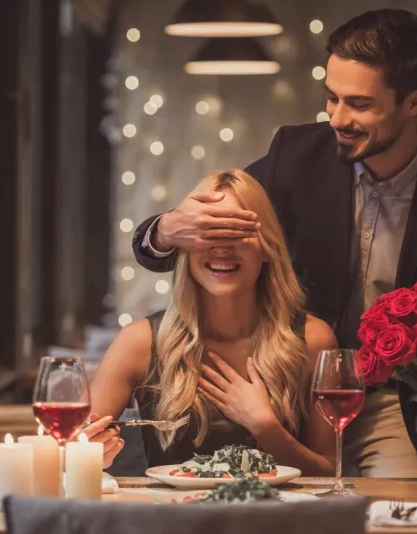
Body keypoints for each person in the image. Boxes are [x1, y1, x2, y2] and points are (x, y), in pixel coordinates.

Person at [130, 9, 417, 478]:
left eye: (360, 104)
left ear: (415, 101)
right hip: (287, 390)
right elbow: (210, 242)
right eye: (332, 99)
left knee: (397, 510)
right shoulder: (293, 157)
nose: (337, 118)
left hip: (388, 407)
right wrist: (164, 231)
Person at [83, 169, 337, 476]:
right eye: (208, 233)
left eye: (236, 233)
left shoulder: (313, 339)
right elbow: (76, 448)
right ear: (185, 248)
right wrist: (90, 452)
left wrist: (265, 427)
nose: (221, 248)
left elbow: (328, 473)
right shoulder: (139, 342)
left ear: (268, 248)